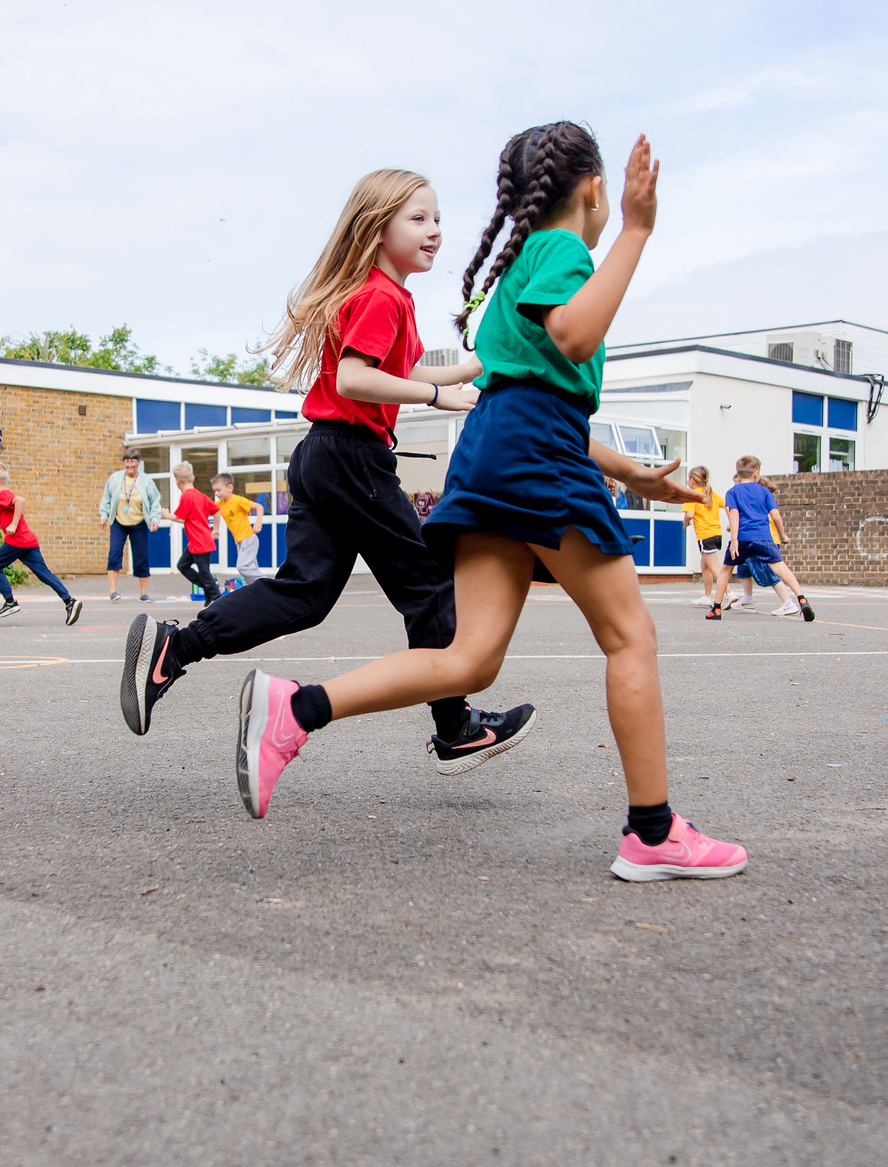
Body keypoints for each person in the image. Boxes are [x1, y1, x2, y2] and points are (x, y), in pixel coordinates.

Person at [235, 124, 747, 883]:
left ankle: (297, 710)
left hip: (498, 455)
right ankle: (652, 832)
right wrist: (637, 232)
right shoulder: (562, 250)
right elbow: (573, 339)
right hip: (530, 457)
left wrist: (632, 474)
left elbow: (530, 402)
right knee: (629, 638)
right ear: (594, 191)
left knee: (468, 656)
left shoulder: (519, 273)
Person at [120, 168, 538, 776]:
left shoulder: (384, 296)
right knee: (426, 588)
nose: (435, 231)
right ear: (376, 228)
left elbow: (410, 371)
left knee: (305, 593)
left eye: (438, 218)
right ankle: (456, 729)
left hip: (323, 454)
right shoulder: (381, 296)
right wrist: (433, 398)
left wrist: (483, 368)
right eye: (418, 218)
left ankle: (174, 648)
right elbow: (355, 379)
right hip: (352, 457)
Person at [0, 461, 85, 624]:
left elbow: (21, 501)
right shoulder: (4, 497)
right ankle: (70, 601)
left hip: (16, 541)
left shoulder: (1, 496)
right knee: (44, 574)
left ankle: (10, 602)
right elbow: (3, 524)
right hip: (28, 541)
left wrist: (13, 524)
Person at [708, 456, 814, 621]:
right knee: (781, 569)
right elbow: (775, 515)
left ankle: (716, 609)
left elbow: (734, 514)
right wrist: (782, 535)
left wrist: (734, 540)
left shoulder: (732, 492)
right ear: (756, 473)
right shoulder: (764, 491)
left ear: (738, 473)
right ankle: (802, 599)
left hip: (742, 538)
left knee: (725, 571)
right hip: (763, 538)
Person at [98, 448, 162, 602]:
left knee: (141, 557)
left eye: (132, 461)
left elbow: (155, 501)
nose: (129, 465)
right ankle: (113, 590)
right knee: (114, 553)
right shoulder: (115, 478)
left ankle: (143, 593)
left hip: (139, 522)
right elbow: (106, 498)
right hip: (118, 522)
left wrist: (155, 519)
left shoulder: (146, 480)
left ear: (138, 463)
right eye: (127, 461)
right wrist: (104, 516)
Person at [168, 462, 221, 605]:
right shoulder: (200, 495)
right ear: (193, 478)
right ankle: (209, 591)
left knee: (204, 573)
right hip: (197, 541)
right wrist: (215, 528)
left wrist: (166, 515)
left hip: (199, 541)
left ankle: (218, 598)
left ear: (177, 482)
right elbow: (216, 509)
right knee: (183, 565)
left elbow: (180, 517)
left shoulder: (187, 496)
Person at [211, 473, 264, 591]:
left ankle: (267, 584)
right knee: (250, 568)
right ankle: (258, 590)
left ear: (230, 487)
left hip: (248, 538)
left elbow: (259, 507)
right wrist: (215, 528)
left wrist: (258, 523)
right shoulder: (220, 504)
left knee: (242, 566)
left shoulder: (238, 500)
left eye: (219, 490)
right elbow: (214, 512)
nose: (216, 493)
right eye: (215, 491)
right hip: (239, 542)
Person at [681, 465, 725, 607]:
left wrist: (686, 522)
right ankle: (707, 596)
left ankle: (729, 593)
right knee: (705, 566)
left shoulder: (693, 495)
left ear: (692, 480)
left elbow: (689, 514)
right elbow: (727, 505)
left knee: (713, 568)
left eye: (689, 478)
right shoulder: (711, 494)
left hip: (705, 535)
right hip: (716, 534)